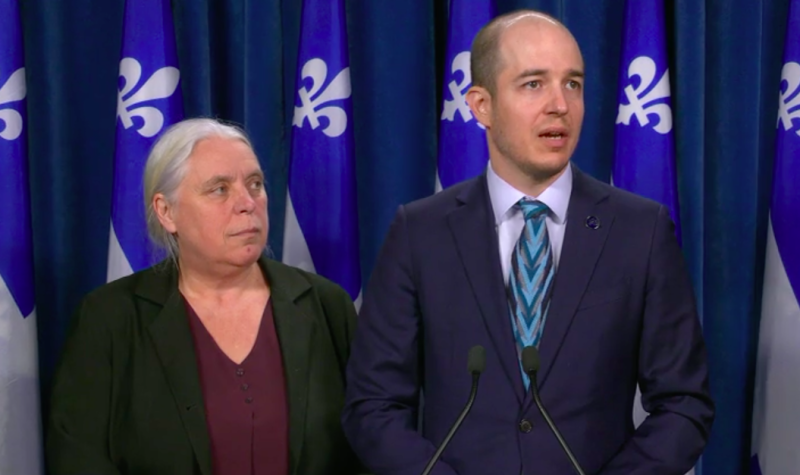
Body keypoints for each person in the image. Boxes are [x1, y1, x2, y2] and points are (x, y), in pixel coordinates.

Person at [342, 10, 714, 475]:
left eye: (572, 84)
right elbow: (373, 406)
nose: (559, 104)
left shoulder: (642, 231)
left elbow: (684, 404)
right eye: (533, 84)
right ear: (482, 105)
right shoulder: (421, 233)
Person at [46, 118, 363, 475]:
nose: (247, 203)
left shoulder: (325, 306)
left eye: (255, 184)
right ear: (167, 212)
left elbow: (367, 442)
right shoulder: (109, 318)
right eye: (219, 189)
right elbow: (76, 457)